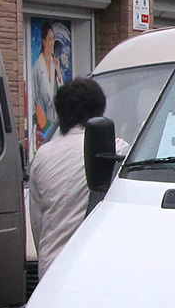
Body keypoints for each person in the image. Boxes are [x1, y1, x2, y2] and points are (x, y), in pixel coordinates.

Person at [28, 77, 125, 278]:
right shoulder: (117, 150)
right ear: (100, 113)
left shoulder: (42, 156)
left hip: (50, 271)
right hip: (94, 270)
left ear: (60, 115)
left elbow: (38, 224)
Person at [30, 21, 63, 149]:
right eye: (49, 39)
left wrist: (58, 70)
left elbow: (62, 92)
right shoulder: (37, 68)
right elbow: (34, 99)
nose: (52, 42)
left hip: (57, 122)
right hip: (44, 122)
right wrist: (44, 125)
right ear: (44, 42)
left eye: (53, 39)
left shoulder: (54, 64)